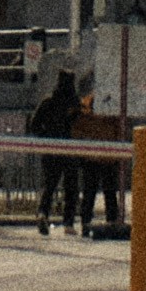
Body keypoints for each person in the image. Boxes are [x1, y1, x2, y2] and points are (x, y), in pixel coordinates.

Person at [32, 67, 91, 234]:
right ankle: (68, 223)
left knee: (49, 185)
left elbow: (35, 124)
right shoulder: (75, 104)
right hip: (70, 149)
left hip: (51, 148)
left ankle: (43, 213)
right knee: (71, 187)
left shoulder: (48, 102)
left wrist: (46, 137)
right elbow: (81, 126)